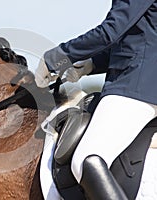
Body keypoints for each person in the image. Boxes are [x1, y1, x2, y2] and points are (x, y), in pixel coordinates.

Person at [35, 0, 157, 199]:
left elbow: (111, 30)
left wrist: (57, 57)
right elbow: (142, 34)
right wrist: (91, 63)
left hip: (138, 85)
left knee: (86, 159)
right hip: (145, 80)